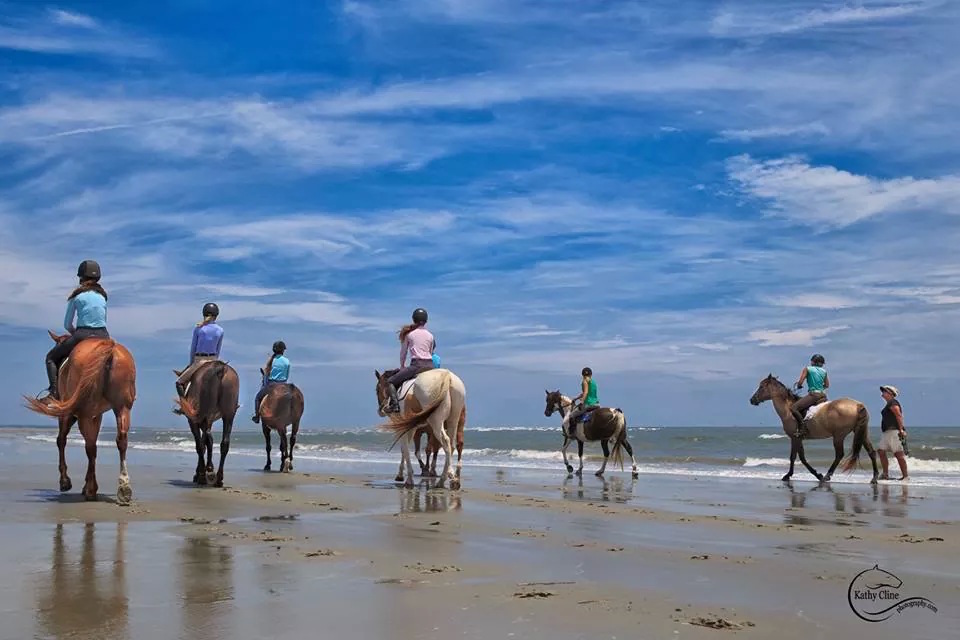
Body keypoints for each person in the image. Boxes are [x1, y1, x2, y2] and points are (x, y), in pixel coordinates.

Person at [42, 260, 110, 402]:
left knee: (50, 358)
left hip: (82, 335)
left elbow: (67, 324)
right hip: (104, 336)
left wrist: (74, 334)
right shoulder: (103, 296)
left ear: (81, 278)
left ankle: (54, 393)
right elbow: (103, 319)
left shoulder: (77, 296)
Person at [384, 308, 435, 413]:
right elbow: (430, 352)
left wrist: (402, 366)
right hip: (430, 366)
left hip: (417, 366)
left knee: (390, 382)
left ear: (414, 320)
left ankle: (395, 405)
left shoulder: (410, 335)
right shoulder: (430, 336)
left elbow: (403, 353)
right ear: (426, 321)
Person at [175, 303, 223, 400]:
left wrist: (191, 363)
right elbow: (218, 349)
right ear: (216, 315)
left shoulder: (199, 329)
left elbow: (193, 348)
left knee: (179, 382)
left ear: (204, 314)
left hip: (199, 361)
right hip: (214, 360)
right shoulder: (220, 330)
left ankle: (184, 406)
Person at [252, 341, 290, 423]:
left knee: (257, 398)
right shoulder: (287, 361)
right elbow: (287, 375)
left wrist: (266, 385)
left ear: (274, 350)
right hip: (284, 385)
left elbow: (266, 376)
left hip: (272, 385)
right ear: (283, 350)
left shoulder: (271, 361)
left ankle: (257, 416)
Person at [792, 354, 829, 438]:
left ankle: (802, 429)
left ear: (813, 362)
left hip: (814, 395)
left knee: (793, 408)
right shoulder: (824, 371)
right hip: (823, 395)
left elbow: (800, 382)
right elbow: (827, 385)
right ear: (821, 363)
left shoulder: (807, 369)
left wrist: (799, 385)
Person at [878, 385, 908, 481]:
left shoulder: (893, 403)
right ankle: (885, 474)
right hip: (887, 431)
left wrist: (901, 430)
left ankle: (905, 476)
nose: (882, 393)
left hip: (894, 431)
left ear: (890, 393)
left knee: (898, 454)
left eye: (884, 391)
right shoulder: (888, 404)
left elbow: (898, 415)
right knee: (881, 451)